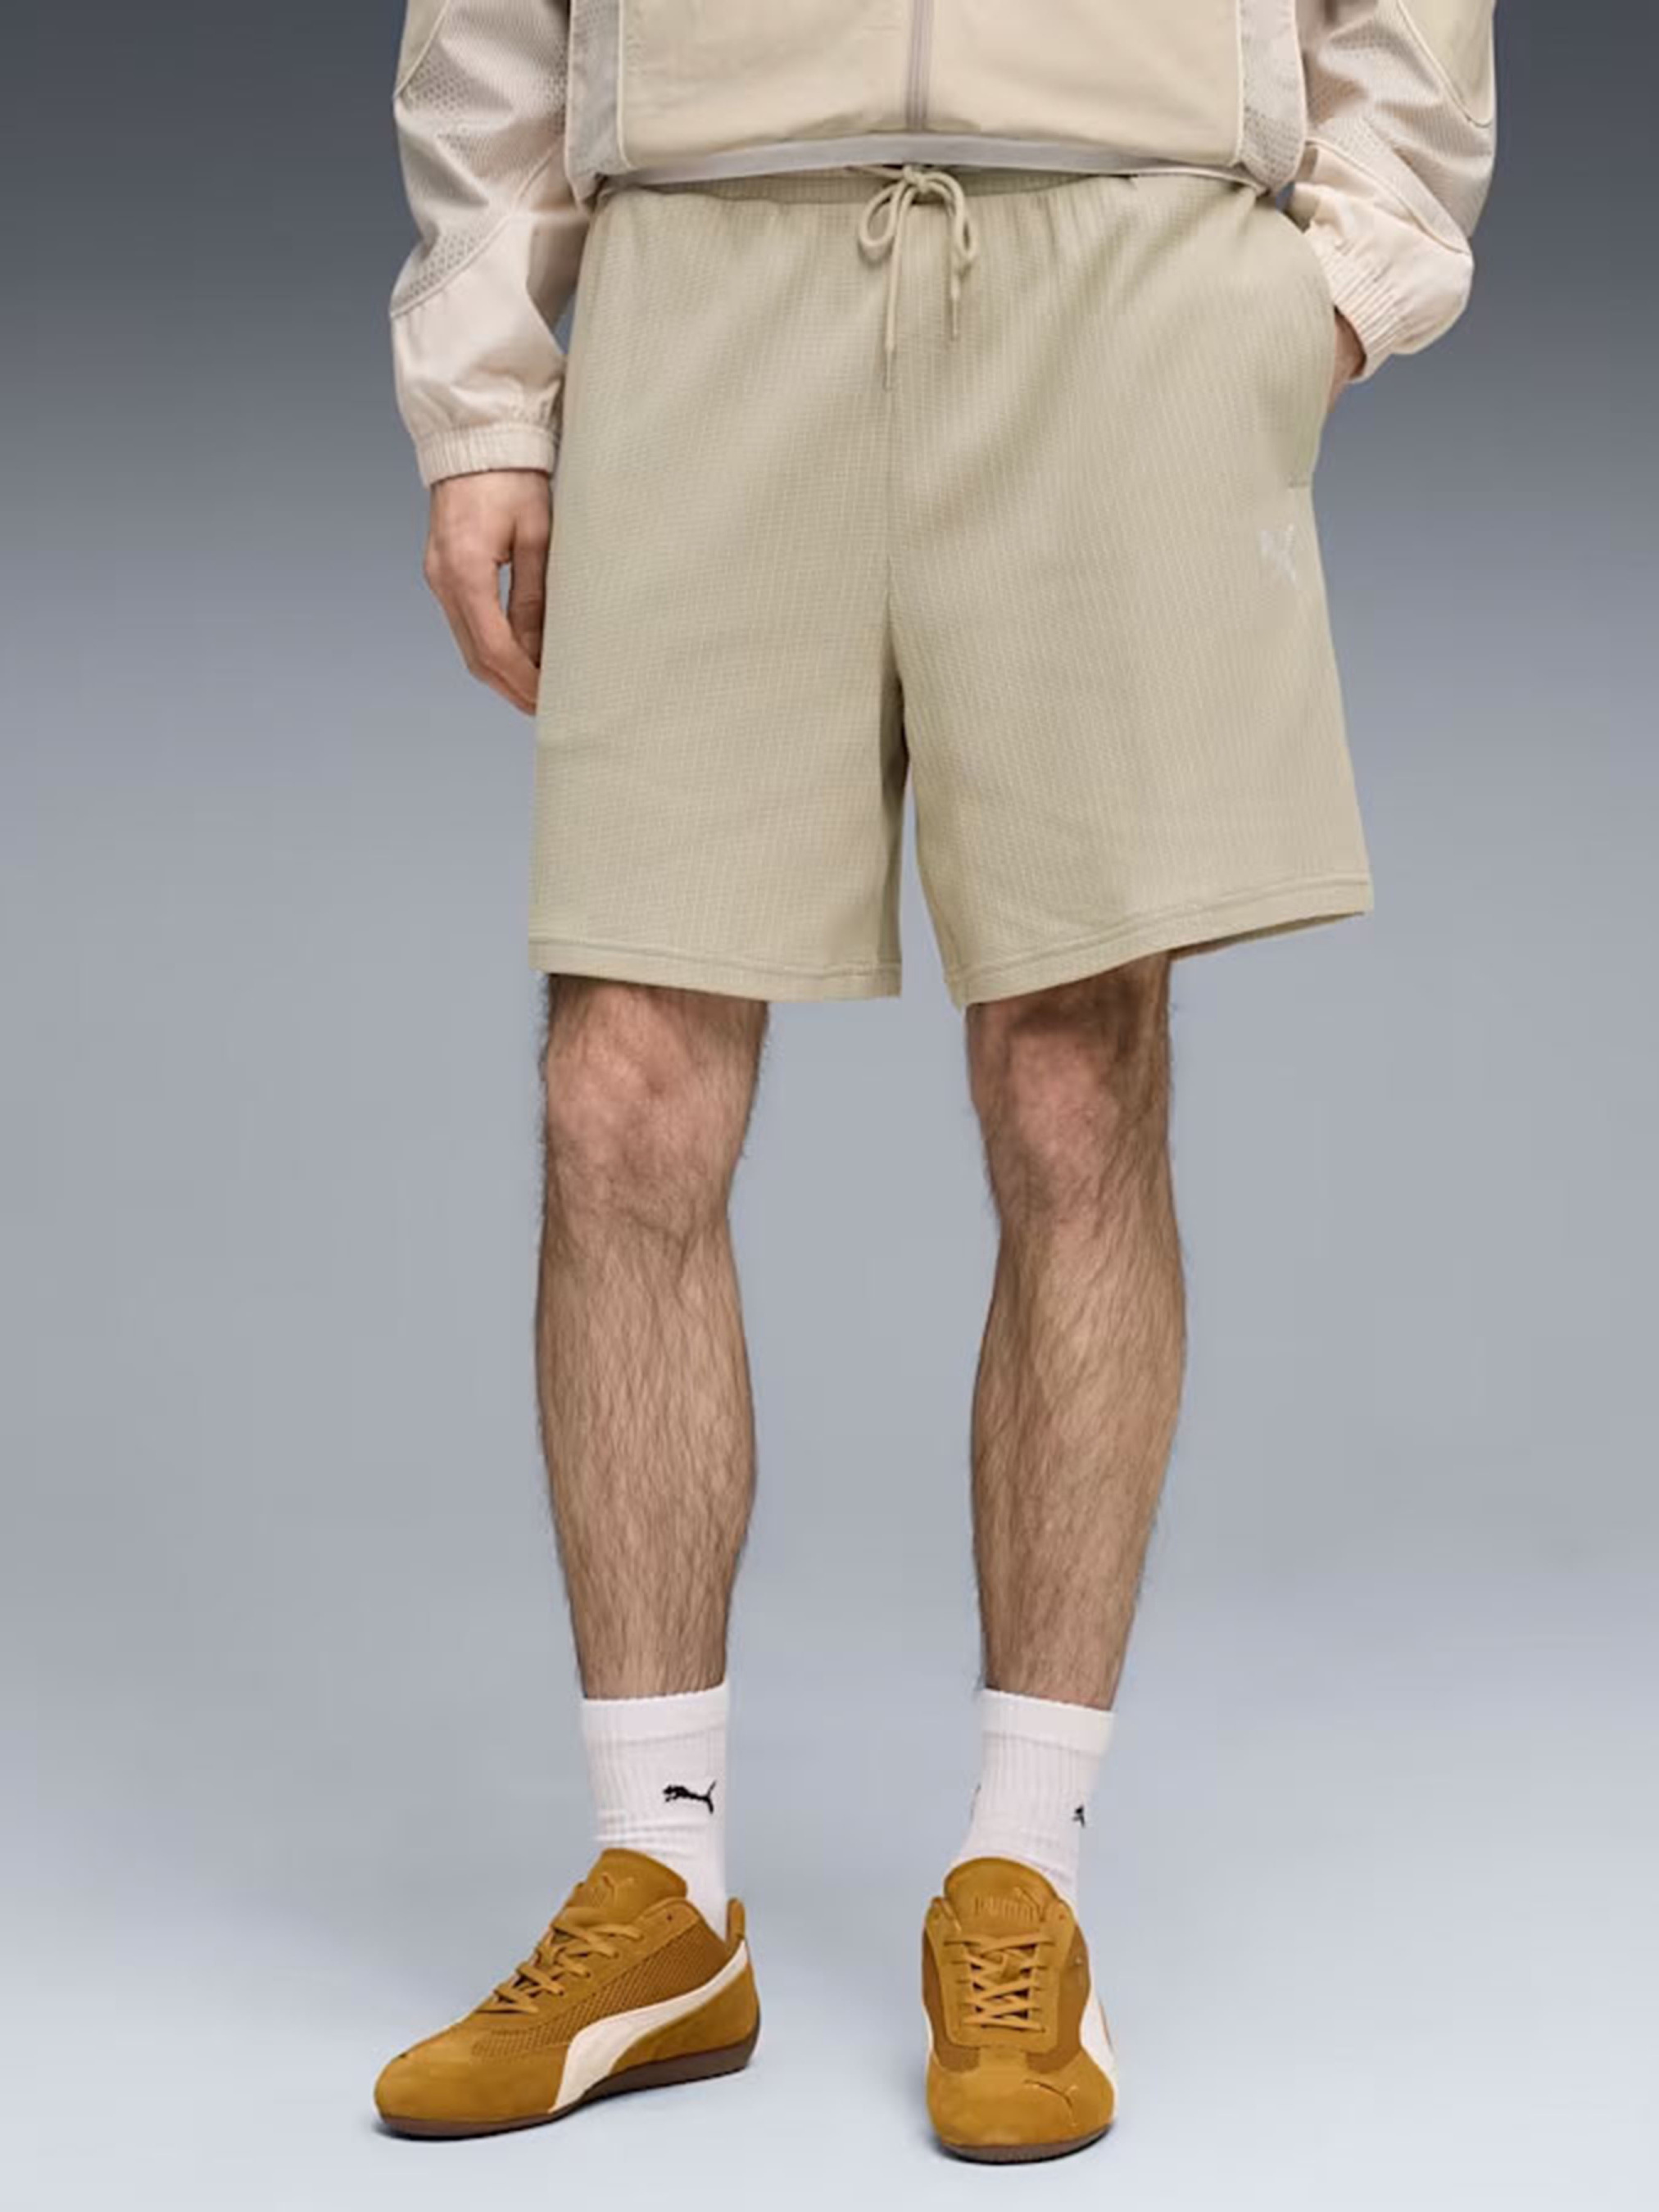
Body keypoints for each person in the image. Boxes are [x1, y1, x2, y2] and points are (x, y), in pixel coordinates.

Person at [372, 0, 1497, 2164]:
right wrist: (485, 396)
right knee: (621, 1089)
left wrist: (1331, 287)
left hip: (1127, 273)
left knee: (1071, 1076)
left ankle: (1022, 1869)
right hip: (702, 279)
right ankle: (657, 1880)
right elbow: (492, 25)